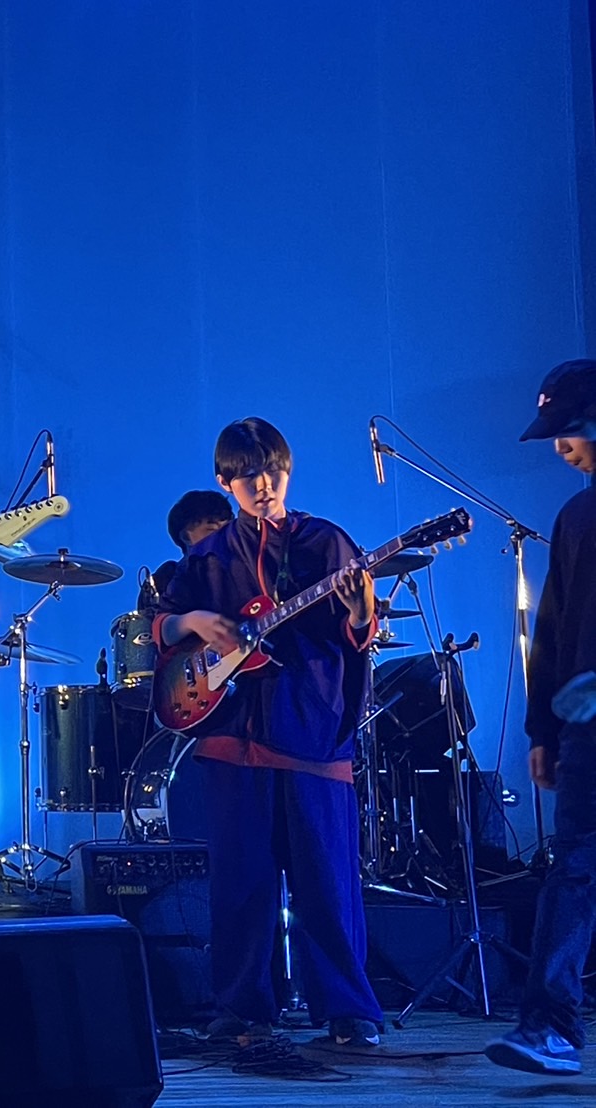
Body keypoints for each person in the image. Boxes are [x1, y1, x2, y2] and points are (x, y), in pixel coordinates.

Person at [152, 417, 383, 1047]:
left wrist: (361, 609)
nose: (264, 484)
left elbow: (358, 635)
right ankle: (243, 1006)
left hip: (310, 730)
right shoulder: (206, 557)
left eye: (273, 471)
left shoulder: (326, 542)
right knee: (241, 884)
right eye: (249, 475)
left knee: (326, 882)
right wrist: (196, 621)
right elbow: (162, 628)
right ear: (224, 481)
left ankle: (348, 1009)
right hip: (231, 736)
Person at [485, 360, 596, 1075]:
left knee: (577, 867)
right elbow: (551, 632)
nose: (561, 447)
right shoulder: (576, 516)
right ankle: (548, 1026)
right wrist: (542, 731)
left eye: (568, 430)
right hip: (584, 729)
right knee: (574, 866)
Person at [137, 489, 235, 609]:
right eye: (211, 530)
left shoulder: (247, 561)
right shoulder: (167, 578)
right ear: (186, 537)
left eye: (227, 528)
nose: (223, 535)